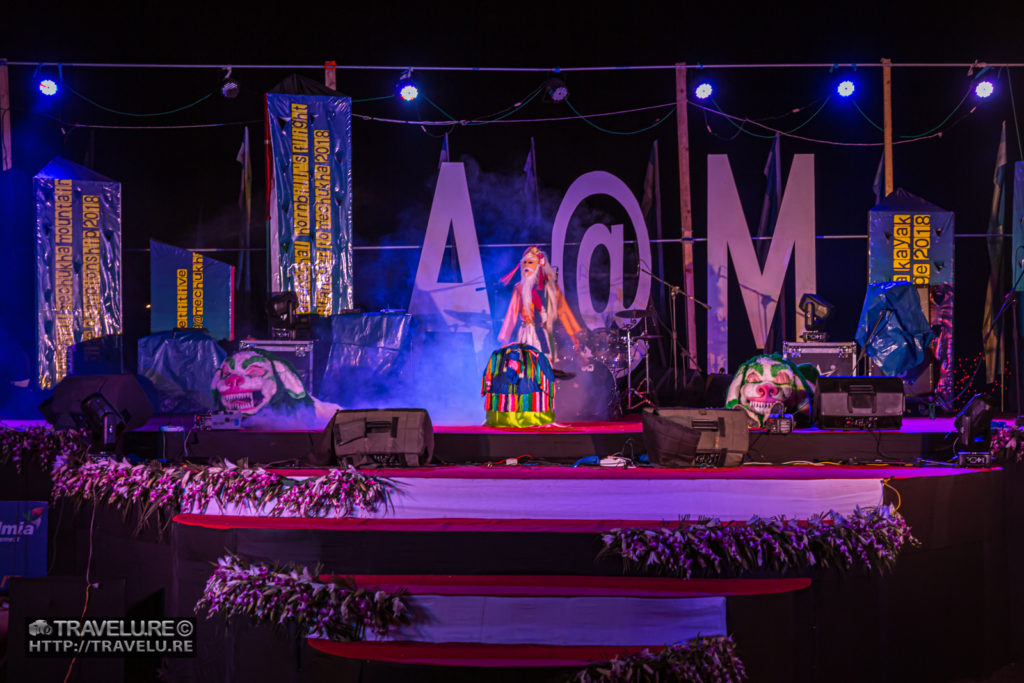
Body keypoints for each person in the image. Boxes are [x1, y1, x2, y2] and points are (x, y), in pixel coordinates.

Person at [497, 246, 582, 363]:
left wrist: (572, 335)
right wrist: (504, 340)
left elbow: (563, 311)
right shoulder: (519, 288)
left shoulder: (550, 287)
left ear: (538, 265)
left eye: (530, 262)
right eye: (525, 262)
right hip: (526, 333)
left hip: (544, 332)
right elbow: (512, 313)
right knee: (527, 368)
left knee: (546, 369)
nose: (527, 266)